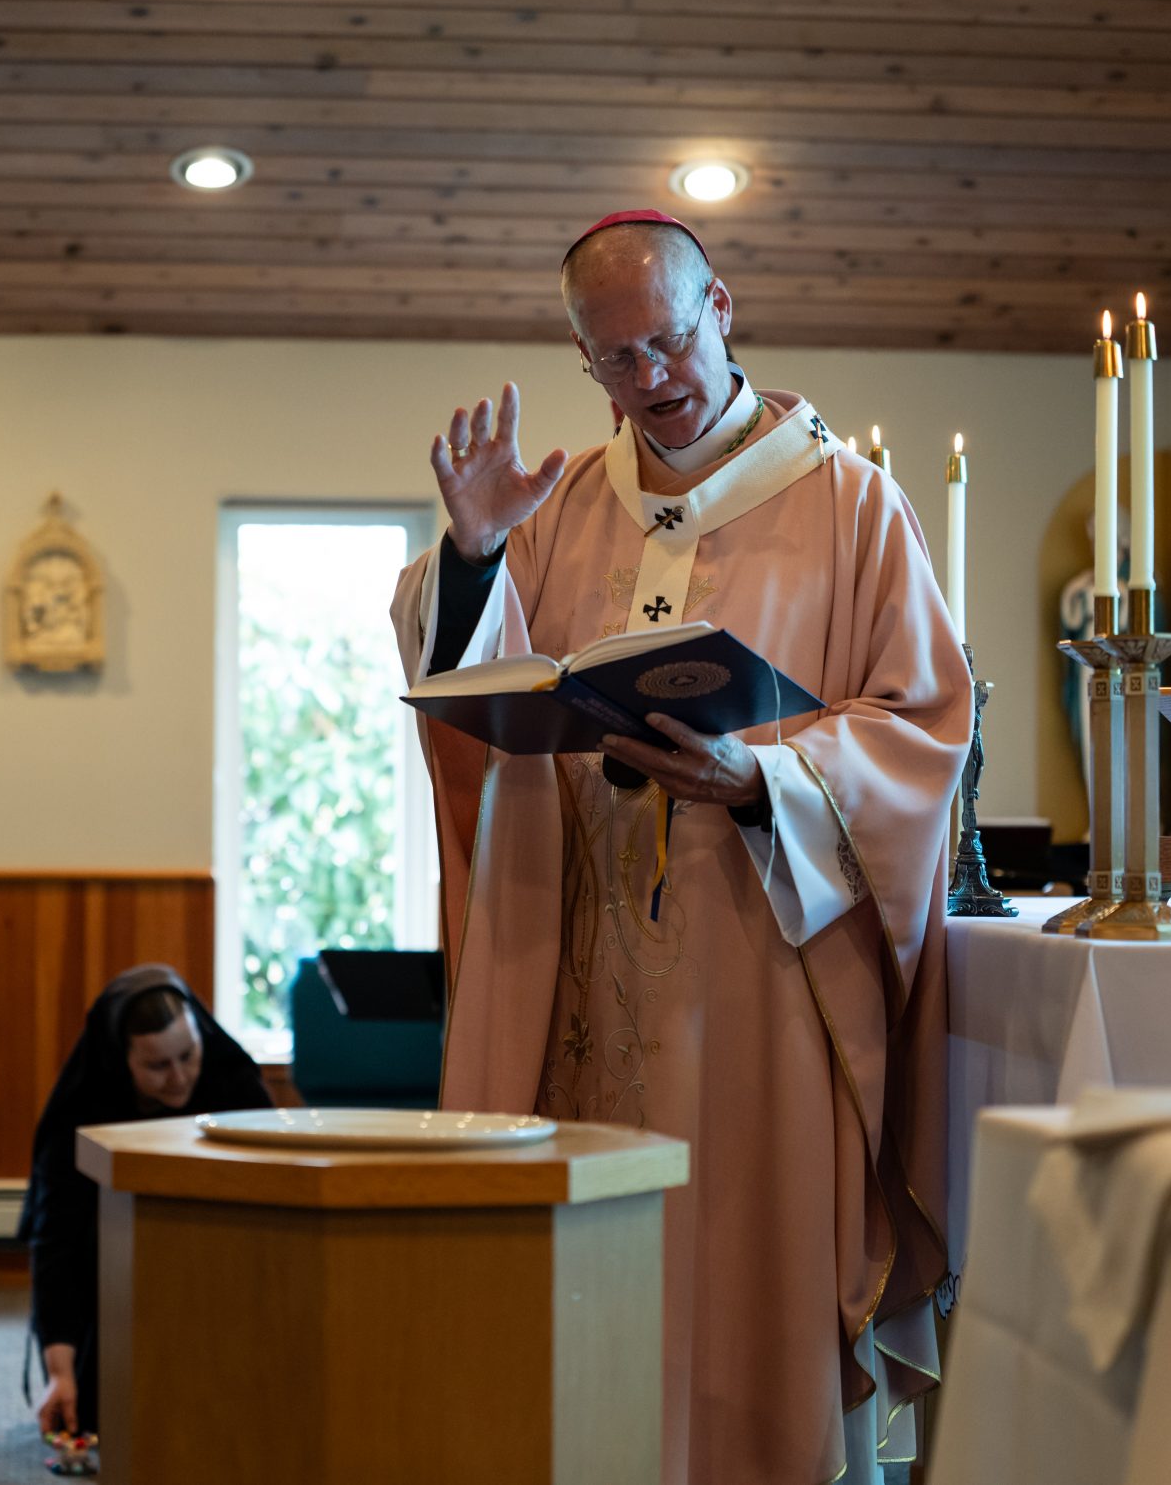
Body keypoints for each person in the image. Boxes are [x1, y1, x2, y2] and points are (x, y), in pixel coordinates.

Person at [391, 210, 971, 1485]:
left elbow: (924, 727)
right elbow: (465, 706)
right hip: (577, 980)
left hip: (760, 991)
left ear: (723, 310)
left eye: (664, 340)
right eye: (612, 359)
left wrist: (763, 776)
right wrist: (476, 556)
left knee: (742, 1289)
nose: (648, 379)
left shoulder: (850, 506)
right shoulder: (551, 513)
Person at [20, 966, 269, 1438]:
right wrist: (60, 1373)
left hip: (217, 1269)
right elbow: (57, 1244)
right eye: (157, 1066)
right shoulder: (79, 1112)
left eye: (188, 1056)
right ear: (120, 1060)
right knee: (105, 1416)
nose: (179, 1079)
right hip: (111, 1279)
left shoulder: (232, 1081)